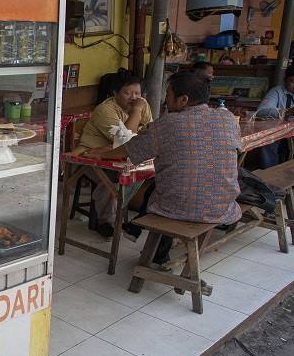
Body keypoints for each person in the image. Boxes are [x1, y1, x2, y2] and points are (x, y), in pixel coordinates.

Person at [82, 72, 241, 265]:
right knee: (161, 188)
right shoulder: (228, 119)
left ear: (183, 100)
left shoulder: (168, 123)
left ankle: (152, 249)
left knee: (165, 193)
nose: (166, 101)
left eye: (169, 96)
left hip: (183, 208)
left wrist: (101, 153)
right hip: (225, 205)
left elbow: (130, 148)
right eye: (127, 92)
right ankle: (149, 244)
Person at [74, 71, 153, 238]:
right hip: (88, 157)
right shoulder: (105, 110)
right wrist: (137, 112)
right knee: (114, 179)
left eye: (137, 93)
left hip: (118, 156)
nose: (133, 97)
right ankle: (106, 221)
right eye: (127, 93)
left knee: (154, 172)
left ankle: (139, 218)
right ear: (115, 93)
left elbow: (150, 131)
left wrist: (139, 115)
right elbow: (126, 140)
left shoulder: (142, 104)